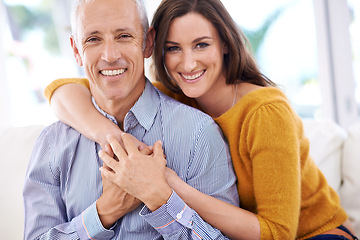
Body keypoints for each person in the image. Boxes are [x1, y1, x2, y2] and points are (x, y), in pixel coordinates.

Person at [43, 0, 359, 239]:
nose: (188, 62)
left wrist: (166, 182)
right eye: (174, 48)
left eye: (201, 45)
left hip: (315, 234)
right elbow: (61, 92)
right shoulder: (179, 95)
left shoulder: (264, 112)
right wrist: (119, 140)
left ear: (224, 43)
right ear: (156, 50)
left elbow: (277, 233)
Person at [22, 0, 240, 239]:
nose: (110, 55)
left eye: (124, 36)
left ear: (147, 43)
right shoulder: (52, 144)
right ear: (76, 50)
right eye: (93, 39)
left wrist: (160, 200)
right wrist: (104, 211)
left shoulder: (199, 134)